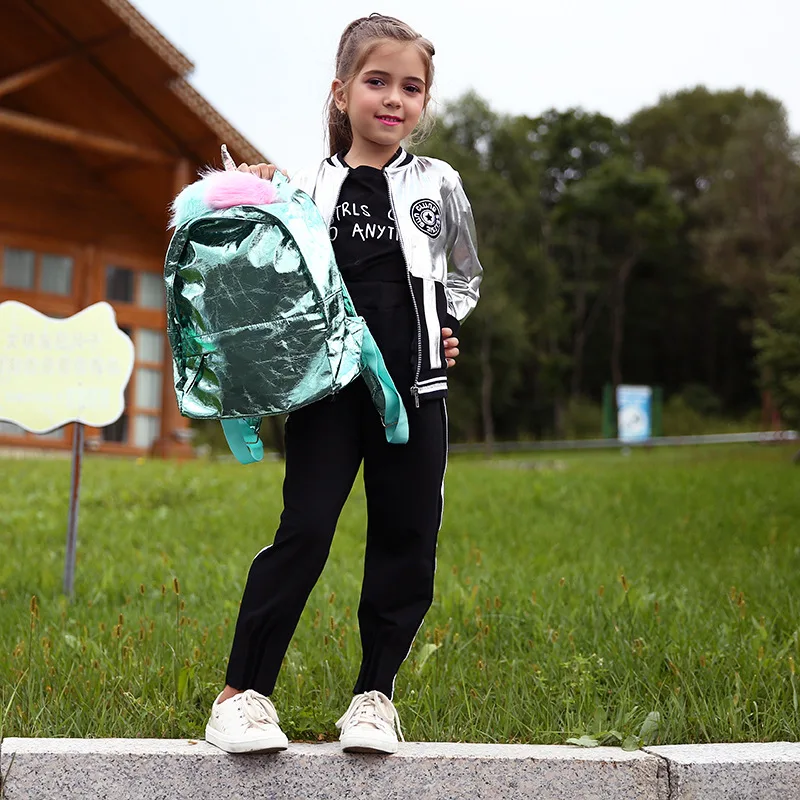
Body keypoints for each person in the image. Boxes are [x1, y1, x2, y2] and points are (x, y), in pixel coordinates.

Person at [204, 12, 482, 756]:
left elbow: (465, 274)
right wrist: (255, 188)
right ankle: (242, 695)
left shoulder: (440, 183)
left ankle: (374, 696)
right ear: (341, 92)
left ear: (424, 102)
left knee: (406, 537)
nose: (394, 99)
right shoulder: (305, 189)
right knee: (304, 532)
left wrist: (445, 322)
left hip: (416, 394)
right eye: (377, 81)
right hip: (329, 395)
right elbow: (263, 264)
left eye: (411, 88)